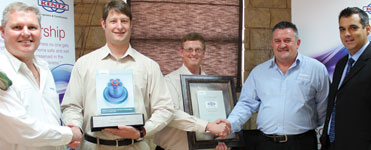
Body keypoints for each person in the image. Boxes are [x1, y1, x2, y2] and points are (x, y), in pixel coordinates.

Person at [61, 0, 175, 149]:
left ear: (131, 24)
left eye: (124, 21)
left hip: (136, 146)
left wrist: (143, 131)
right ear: (103, 24)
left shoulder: (149, 66)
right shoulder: (84, 64)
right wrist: (75, 127)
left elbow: (165, 108)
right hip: (94, 146)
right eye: (113, 21)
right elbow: (71, 106)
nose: (119, 26)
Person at [215, 21, 329, 150]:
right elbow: (246, 104)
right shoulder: (259, 72)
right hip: (266, 143)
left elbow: (323, 107)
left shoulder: (317, 69)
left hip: (302, 143)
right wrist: (230, 124)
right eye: (277, 41)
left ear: (298, 43)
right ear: (272, 44)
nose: (282, 45)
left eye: (287, 40)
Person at [0, 2, 82, 150]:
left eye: (32, 27)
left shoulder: (44, 68)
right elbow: (20, 130)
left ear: (40, 31)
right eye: (17, 27)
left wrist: (65, 136)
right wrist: (69, 134)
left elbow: (51, 119)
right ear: (3, 32)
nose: (26, 33)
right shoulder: (2, 72)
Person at [154, 32, 230, 150]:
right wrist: (207, 126)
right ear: (181, 52)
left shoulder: (213, 85)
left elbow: (218, 119)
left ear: (204, 53)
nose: (193, 54)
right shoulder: (168, 81)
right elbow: (171, 114)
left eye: (198, 50)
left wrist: (220, 138)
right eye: (189, 49)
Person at [320, 7, 371, 150]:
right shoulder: (341, 64)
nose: (346, 34)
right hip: (333, 143)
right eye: (342, 29)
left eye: (353, 28)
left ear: (367, 29)